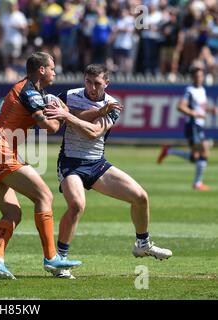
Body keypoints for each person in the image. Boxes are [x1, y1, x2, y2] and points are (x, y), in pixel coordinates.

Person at [0, 52, 111, 280]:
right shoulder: (30, 91)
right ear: (41, 70)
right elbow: (51, 127)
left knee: (12, 212)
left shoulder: (25, 90)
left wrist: (70, 112)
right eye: (52, 68)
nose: (56, 72)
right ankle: (51, 258)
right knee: (44, 197)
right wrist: (64, 116)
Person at [44, 64, 172, 278]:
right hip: (71, 163)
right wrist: (68, 114)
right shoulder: (68, 95)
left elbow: (94, 132)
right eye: (88, 82)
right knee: (76, 205)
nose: (92, 88)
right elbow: (54, 118)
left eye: (97, 83)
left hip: (96, 163)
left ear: (107, 83)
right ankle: (61, 261)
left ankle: (142, 244)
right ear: (83, 79)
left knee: (140, 197)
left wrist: (69, 116)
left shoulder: (111, 105)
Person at [157, 65, 217, 190]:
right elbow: (180, 106)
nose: (199, 78)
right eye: (196, 76)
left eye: (200, 76)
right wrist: (193, 113)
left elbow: (201, 107)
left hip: (198, 125)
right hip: (192, 125)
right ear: (192, 77)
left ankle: (168, 151)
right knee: (204, 149)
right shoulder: (189, 90)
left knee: (195, 157)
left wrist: (211, 110)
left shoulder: (202, 90)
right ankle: (197, 183)